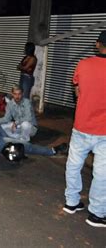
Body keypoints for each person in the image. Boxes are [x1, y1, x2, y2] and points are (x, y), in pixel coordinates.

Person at [63, 31, 106, 228]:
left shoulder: (83, 64)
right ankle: (96, 214)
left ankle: (71, 203)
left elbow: (77, 89)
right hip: (103, 130)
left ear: (98, 44)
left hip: (81, 125)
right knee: (102, 173)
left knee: (74, 165)